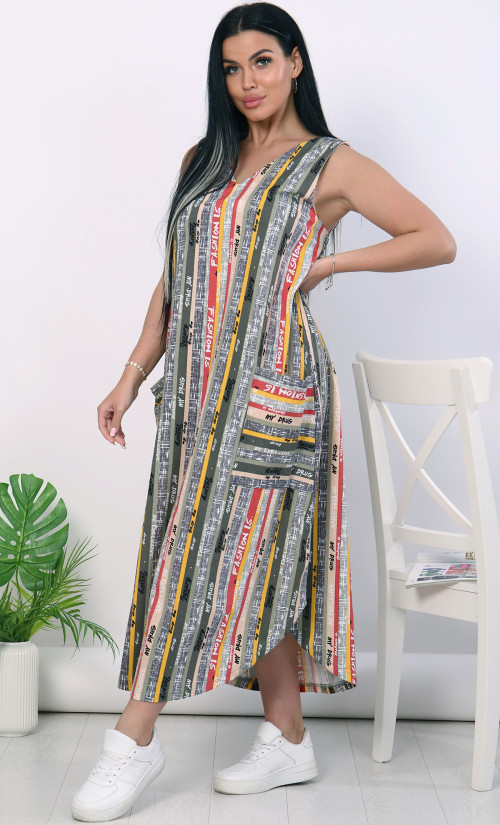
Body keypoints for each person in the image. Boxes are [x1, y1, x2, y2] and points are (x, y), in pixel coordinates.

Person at [71, 2, 456, 821]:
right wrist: (132, 374)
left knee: (204, 548)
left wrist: (329, 265)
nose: (247, 81)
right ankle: (288, 734)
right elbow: (176, 279)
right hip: (195, 395)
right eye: (231, 68)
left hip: (277, 391)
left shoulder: (330, 163)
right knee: (245, 552)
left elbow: (434, 237)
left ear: (295, 63)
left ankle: (133, 736)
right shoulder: (204, 159)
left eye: (262, 62)